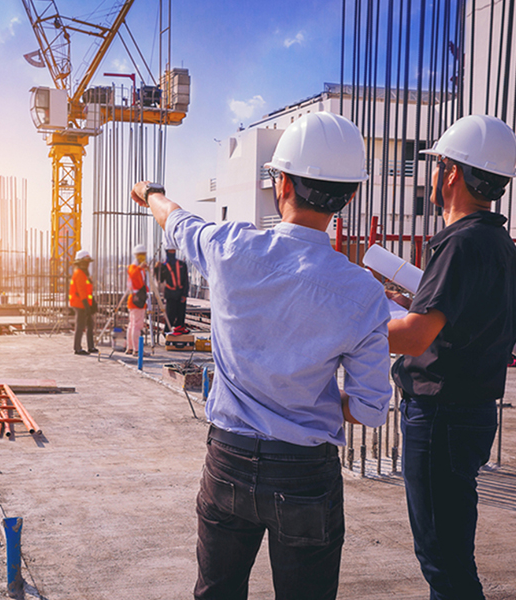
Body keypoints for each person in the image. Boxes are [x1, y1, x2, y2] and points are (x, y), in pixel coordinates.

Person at [131, 112, 392, 600]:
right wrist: (303, 400)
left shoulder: (231, 247)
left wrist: (150, 193)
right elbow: (372, 408)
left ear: (282, 183)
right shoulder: (362, 292)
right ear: (349, 196)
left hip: (227, 460)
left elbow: (177, 219)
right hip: (304, 474)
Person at [386, 115, 516, 600]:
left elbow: (415, 338)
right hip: (469, 412)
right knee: (450, 552)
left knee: (443, 561)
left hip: (441, 415)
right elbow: (467, 325)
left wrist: (354, 326)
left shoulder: (460, 243)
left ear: (452, 173)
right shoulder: (499, 245)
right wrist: (411, 309)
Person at [155, 243, 189, 334]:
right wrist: (157, 270)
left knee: (181, 314)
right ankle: (167, 331)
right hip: (170, 294)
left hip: (180, 293)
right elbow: (160, 280)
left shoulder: (182, 264)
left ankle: (180, 330)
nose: (172, 252)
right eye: (170, 251)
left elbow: (186, 281)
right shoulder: (164, 266)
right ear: (167, 252)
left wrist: (184, 294)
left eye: (173, 251)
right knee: (170, 314)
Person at [68, 249, 98, 355]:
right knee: (80, 325)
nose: (87, 264)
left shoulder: (85, 274)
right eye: (85, 262)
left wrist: (92, 302)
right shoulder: (79, 273)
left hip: (85, 303)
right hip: (79, 303)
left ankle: (91, 346)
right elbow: (81, 291)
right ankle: (77, 348)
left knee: (90, 324)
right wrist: (86, 306)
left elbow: (88, 290)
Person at [125, 243, 149, 356]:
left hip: (136, 299)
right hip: (136, 300)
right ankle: (136, 349)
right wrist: (141, 268)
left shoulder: (139, 269)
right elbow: (134, 276)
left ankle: (130, 347)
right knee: (137, 325)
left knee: (132, 324)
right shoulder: (134, 267)